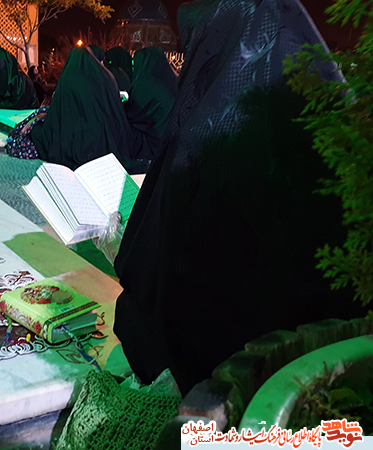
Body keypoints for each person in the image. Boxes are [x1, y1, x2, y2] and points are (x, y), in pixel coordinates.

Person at [113, 0, 365, 395]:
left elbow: (150, 277)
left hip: (230, 377)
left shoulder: (204, 139)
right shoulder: (336, 127)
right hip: (333, 369)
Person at [27, 46, 150, 173]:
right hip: (103, 137)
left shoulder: (68, 79)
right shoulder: (105, 77)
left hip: (72, 136)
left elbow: (58, 111)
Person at [125, 47, 178, 160]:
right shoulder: (173, 81)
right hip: (172, 141)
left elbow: (132, 115)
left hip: (154, 143)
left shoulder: (145, 83)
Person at [0, 47, 38, 122]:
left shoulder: (18, 79)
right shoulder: (5, 76)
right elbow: (0, 94)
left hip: (24, 113)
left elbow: (15, 103)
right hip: (11, 110)